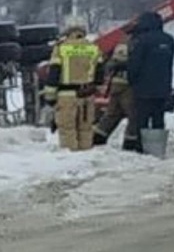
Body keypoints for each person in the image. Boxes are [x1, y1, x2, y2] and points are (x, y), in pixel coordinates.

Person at [42, 17, 103, 151]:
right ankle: (85, 160)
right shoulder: (93, 48)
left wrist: (50, 98)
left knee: (67, 130)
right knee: (86, 130)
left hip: (66, 96)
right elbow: (100, 77)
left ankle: (72, 162)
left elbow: (54, 74)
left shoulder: (61, 48)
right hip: (87, 97)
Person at [125, 11, 174, 155]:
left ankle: (141, 148)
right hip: (163, 87)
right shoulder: (169, 40)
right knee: (158, 119)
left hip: (143, 88)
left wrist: (131, 81)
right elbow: (170, 63)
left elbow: (134, 65)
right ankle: (157, 149)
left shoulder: (141, 41)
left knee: (142, 119)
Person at [92, 43, 138, 152]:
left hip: (115, 86)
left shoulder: (118, 51)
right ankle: (129, 144)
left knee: (112, 114)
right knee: (134, 116)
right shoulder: (133, 48)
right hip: (127, 88)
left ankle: (97, 139)